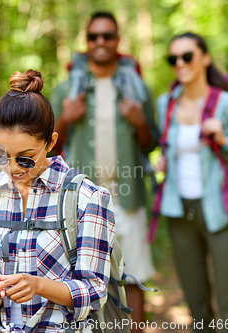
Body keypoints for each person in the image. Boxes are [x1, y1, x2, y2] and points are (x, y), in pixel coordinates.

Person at [0, 70, 115, 332]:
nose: (12, 168)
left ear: (51, 143)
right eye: (0, 155)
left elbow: (95, 291)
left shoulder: (87, 198)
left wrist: (39, 286)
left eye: (25, 158)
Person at [51, 11, 158, 331]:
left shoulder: (136, 89)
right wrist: (66, 117)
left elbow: (151, 143)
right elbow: (46, 145)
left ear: (117, 40)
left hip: (127, 198)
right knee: (79, 277)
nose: (101, 42)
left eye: (107, 36)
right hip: (80, 202)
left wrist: (140, 122)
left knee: (134, 275)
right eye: (94, 36)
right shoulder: (67, 90)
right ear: (86, 42)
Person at [155, 32, 228, 333]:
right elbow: (168, 147)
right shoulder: (166, 104)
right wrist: (164, 161)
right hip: (178, 211)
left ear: (205, 58)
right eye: (173, 58)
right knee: (196, 303)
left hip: (220, 211)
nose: (179, 63)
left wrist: (225, 139)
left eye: (187, 56)